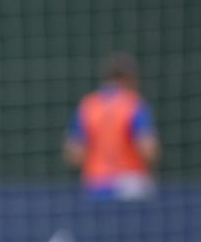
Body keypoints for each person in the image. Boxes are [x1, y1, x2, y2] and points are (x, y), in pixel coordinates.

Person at [64, 52, 160, 200]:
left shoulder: (88, 105)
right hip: (130, 185)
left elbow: (74, 155)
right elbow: (148, 150)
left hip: (96, 185)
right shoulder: (134, 104)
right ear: (130, 78)